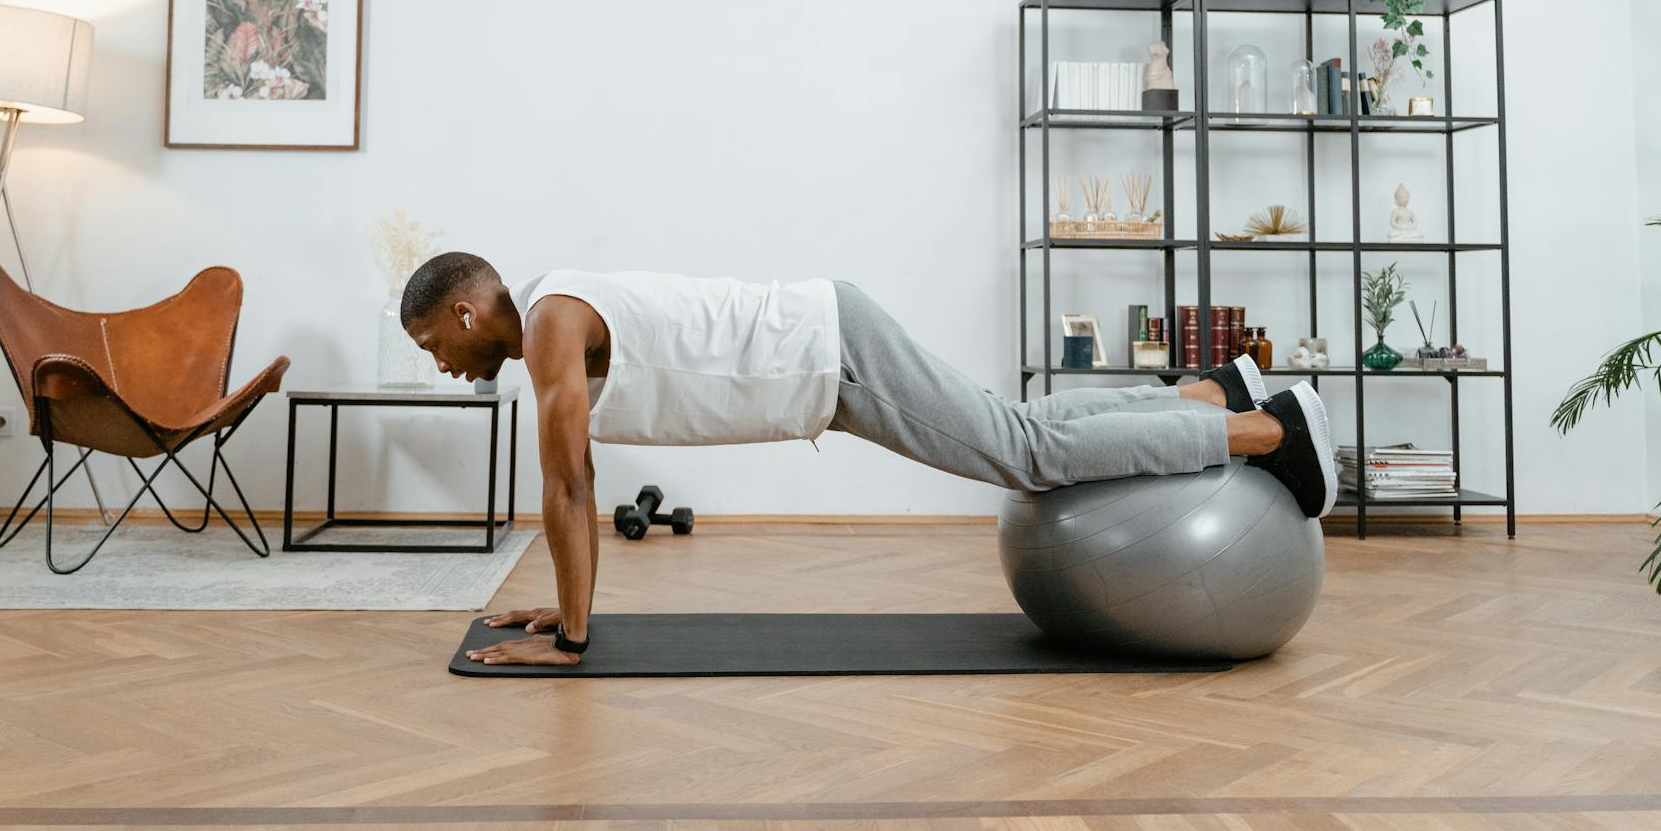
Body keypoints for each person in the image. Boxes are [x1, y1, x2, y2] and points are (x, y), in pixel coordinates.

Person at [401, 256, 1337, 667]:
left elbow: (569, 484)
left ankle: (1269, 434)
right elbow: (571, 486)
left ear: (467, 314)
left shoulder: (553, 324)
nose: (440, 364)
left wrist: (570, 637)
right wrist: (560, 606)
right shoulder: (553, 315)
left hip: (829, 354)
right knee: (1018, 426)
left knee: (1026, 453)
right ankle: (1214, 392)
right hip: (826, 358)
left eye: (432, 344)